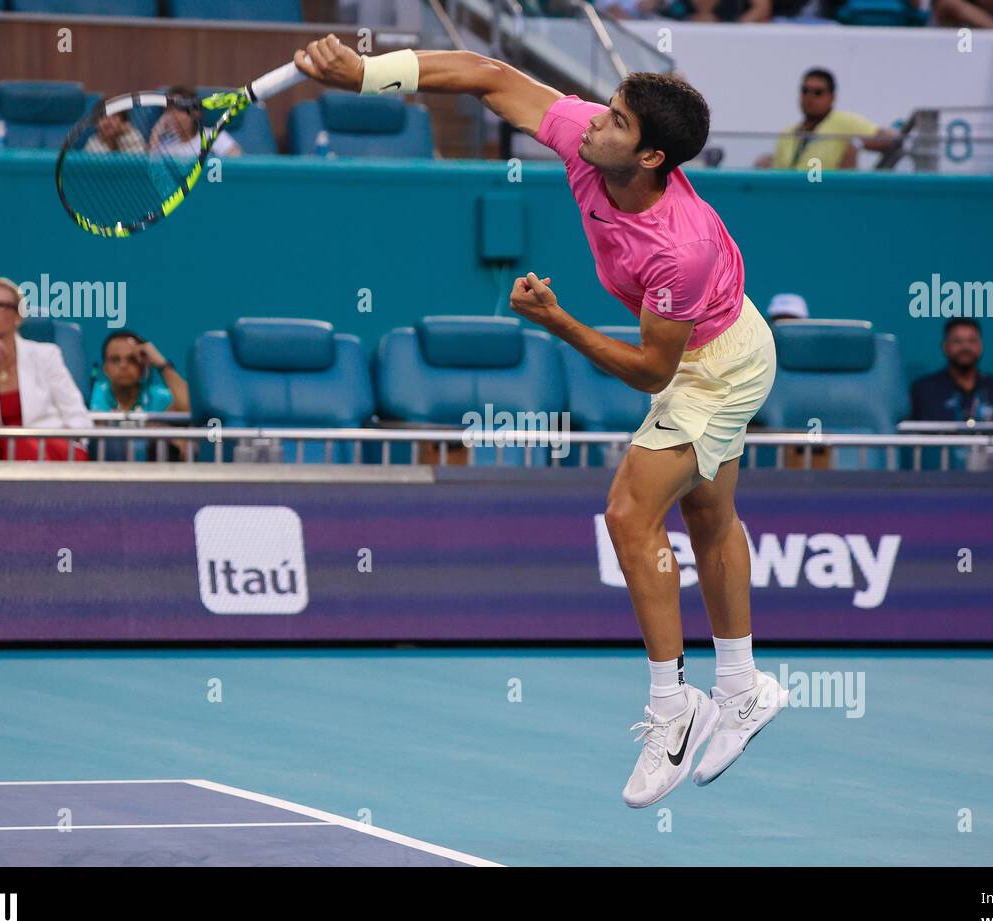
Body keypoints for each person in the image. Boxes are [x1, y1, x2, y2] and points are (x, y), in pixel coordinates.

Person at [295, 36, 786, 807]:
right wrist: (368, 75)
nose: (595, 124)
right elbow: (487, 75)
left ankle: (672, 707)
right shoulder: (591, 144)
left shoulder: (678, 248)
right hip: (718, 342)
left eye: (617, 121)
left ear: (652, 156)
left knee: (629, 513)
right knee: (708, 515)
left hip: (718, 367)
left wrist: (555, 320)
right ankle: (743, 687)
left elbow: (656, 371)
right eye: (607, 109)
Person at [0, 278, 92, 461]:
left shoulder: (45, 355)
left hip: (53, 447)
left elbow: (74, 411)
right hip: (3, 452)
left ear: (18, 315)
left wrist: (78, 446)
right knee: (12, 443)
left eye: (0, 305)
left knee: (19, 443)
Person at [756, 68, 895, 171]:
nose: (809, 97)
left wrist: (856, 144)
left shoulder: (844, 122)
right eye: (805, 91)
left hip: (828, 197)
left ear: (832, 97)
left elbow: (892, 140)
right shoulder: (789, 133)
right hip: (793, 198)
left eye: (818, 92)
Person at [90, 331, 191, 462]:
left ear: (144, 366)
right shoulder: (90, 394)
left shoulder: (159, 397)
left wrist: (161, 364)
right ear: (105, 368)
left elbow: (189, 406)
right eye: (115, 359)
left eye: (132, 359)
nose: (123, 365)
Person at [909, 318, 993, 422]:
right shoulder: (924, 390)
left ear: (980, 346)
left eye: (971, 341)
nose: (965, 347)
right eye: (957, 341)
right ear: (945, 346)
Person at [149, 86, 243, 158]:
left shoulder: (214, 135)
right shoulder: (164, 146)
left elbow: (237, 162)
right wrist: (156, 132)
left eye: (178, 110)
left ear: (195, 113)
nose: (173, 117)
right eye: (168, 111)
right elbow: (148, 168)